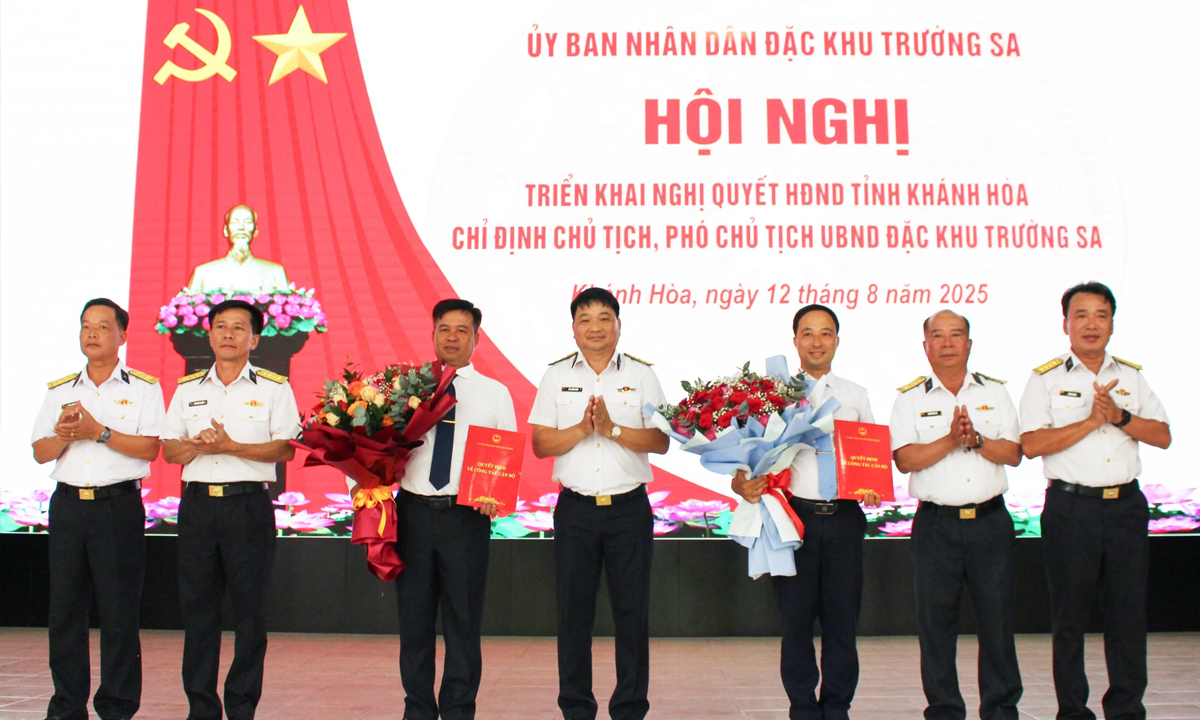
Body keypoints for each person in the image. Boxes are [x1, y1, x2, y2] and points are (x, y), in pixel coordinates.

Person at [1018, 282, 1170, 720]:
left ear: (1112, 324)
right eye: (1081, 315)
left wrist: (1119, 416)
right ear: (1065, 323)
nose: (1091, 324)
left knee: (1127, 615)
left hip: (1125, 508)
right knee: (1070, 617)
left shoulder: (1132, 377)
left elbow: (1162, 435)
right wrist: (1089, 422)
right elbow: (1031, 444)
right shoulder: (1046, 379)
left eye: (1101, 315)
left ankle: (1126, 709)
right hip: (1071, 509)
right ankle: (1072, 711)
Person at [730, 304, 879, 720]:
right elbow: (746, 460)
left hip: (845, 518)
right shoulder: (773, 397)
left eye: (825, 333)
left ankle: (837, 707)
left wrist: (872, 485)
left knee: (842, 623)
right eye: (808, 333)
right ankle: (802, 707)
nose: (817, 341)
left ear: (837, 341)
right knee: (795, 623)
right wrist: (742, 483)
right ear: (795, 341)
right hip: (793, 520)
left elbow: (871, 456)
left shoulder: (855, 395)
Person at [528, 287, 668, 720]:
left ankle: (630, 708)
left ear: (618, 326)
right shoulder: (555, 376)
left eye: (604, 318)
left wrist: (613, 431)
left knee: (632, 615)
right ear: (573, 329)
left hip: (629, 510)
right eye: (585, 319)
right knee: (573, 616)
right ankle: (576, 708)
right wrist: (582, 429)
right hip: (576, 511)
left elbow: (661, 440)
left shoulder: (642, 375)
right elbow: (540, 444)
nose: (595, 327)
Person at [162, 299, 300, 720]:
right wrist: (194, 446)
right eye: (221, 326)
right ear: (209, 336)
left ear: (254, 340)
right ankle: (201, 708)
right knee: (198, 611)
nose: (228, 334)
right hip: (199, 507)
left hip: (248, 506)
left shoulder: (274, 388)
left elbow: (285, 448)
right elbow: (169, 451)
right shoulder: (188, 389)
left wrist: (230, 446)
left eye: (239, 327)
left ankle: (241, 707)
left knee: (249, 613)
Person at [382, 299, 517, 720]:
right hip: (414, 515)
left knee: (463, 623)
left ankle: (459, 709)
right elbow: (377, 445)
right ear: (434, 334)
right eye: (445, 329)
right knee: (414, 623)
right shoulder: (405, 390)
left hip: (465, 518)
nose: (453, 337)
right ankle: (418, 709)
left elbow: (504, 457)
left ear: (476, 338)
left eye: (462, 330)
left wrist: (495, 493)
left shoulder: (495, 393)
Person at [32, 298, 165, 720]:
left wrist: (99, 431)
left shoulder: (143, 388)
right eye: (86, 326)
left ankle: (117, 707)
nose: (91, 334)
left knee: (118, 612)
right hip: (69, 507)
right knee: (65, 611)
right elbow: (40, 452)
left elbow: (150, 448)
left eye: (103, 327)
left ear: (122, 336)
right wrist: (67, 435)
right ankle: (66, 706)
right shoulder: (60, 390)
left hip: (116, 507)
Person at [889, 310, 1023, 720]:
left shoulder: (995, 392)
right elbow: (904, 459)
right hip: (936, 526)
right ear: (925, 345)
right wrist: (950, 440)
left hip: (990, 523)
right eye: (938, 336)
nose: (947, 343)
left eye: (956, 335)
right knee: (936, 627)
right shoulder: (910, 398)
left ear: (969, 343)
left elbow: (1013, 453)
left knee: (997, 623)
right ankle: (944, 710)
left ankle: (1001, 710)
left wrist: (976, 439)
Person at [186, 204, 290, 292]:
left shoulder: (275, 272)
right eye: (235, 222)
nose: (241, 227)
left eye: (247, 222)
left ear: (255, 231)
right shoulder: (203, 273)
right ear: (225, 230)